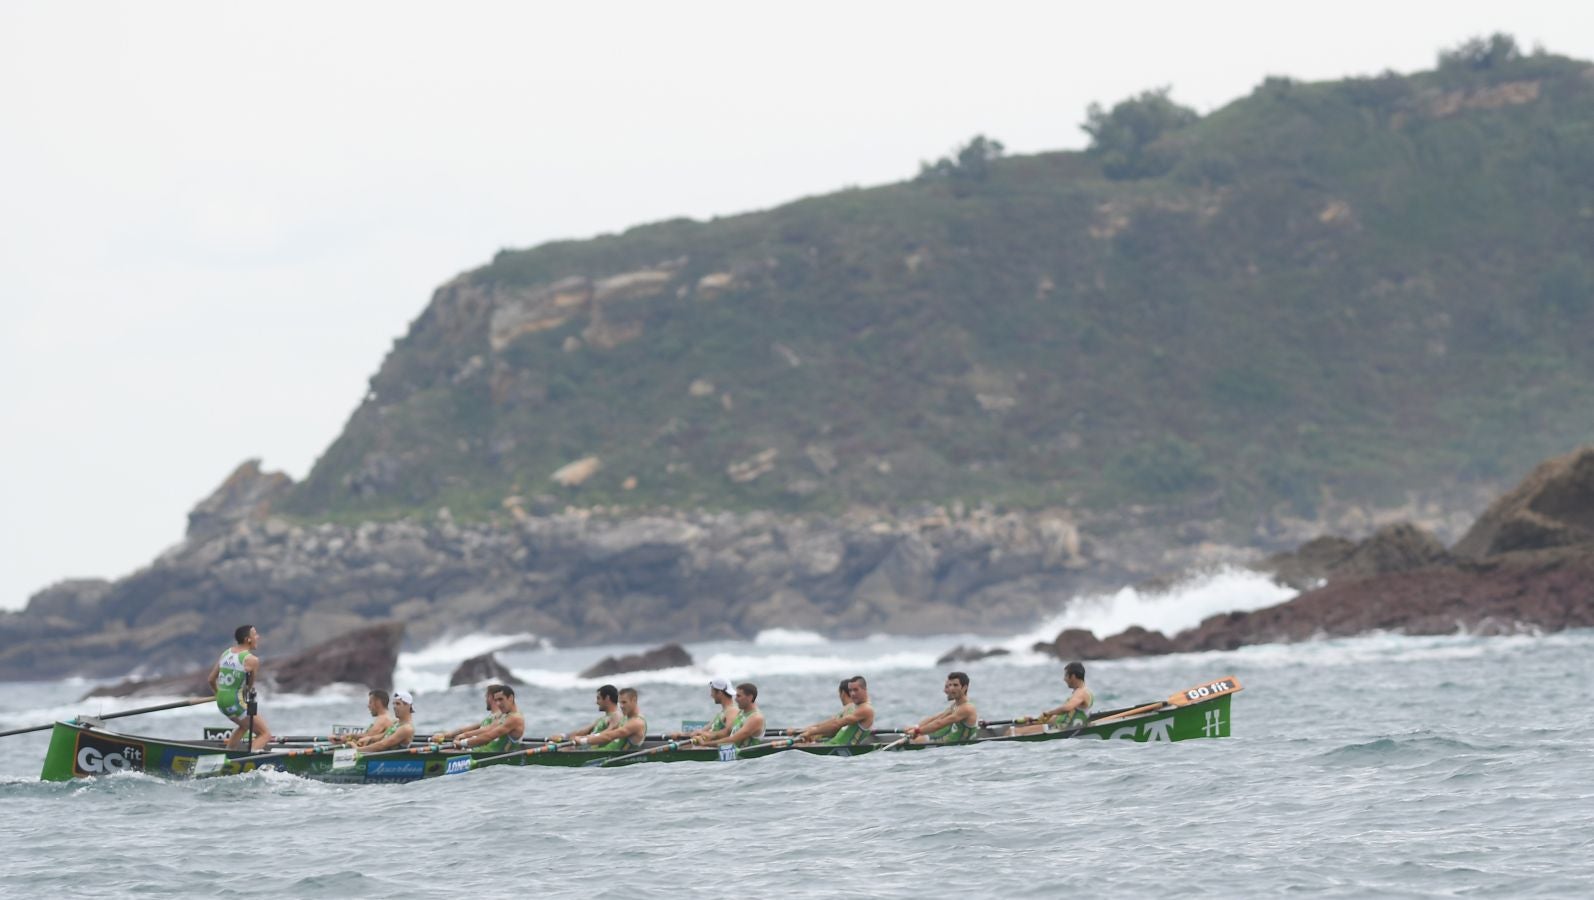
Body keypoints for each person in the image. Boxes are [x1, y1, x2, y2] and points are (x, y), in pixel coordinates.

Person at [207, 624, 272, 751]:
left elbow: (210, 679)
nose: (258, 637)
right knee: (265, 734)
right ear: (248, 639)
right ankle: (251, 761)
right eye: (255, 634)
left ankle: (229, 753)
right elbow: (249, 687)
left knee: (244, 726)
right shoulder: (252, 660)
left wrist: (218, 694)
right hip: (235, 702)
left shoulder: (226, 653)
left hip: (221, 702)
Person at [1017, 661, 1093, 735]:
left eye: (1066, 675)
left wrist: (1049, 713)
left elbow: (1067, 708)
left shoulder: (1081, 692)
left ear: (1073, 676)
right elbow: (1066, 716)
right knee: (1028, 724)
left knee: (1017, 732)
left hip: (1064, 729)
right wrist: (1036, 721)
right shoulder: (1082, 691)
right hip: (1063, 727)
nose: (1064, 679)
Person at [796, 676, 874, 745]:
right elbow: (833, 722)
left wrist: (811, 732)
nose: (852, 694)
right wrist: (811, 733)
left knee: (796, 747)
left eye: (856, 690)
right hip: (832, 743)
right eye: (850, 690)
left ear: (865, 689)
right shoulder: (857, 707)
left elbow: (836, 724)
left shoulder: (866, 709)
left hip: (840, 747)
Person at [904, 672, 979, 744]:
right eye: (950, 685)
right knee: (918, 737)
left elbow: (939, 723)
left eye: (955, 685)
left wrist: (917, 731)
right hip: (949, 742)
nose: (951, 688)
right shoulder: (955, 705)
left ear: (964, 688)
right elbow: (938, 718)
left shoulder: (966, 708)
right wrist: (916, 727)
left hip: (958, 751)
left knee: (918, 739)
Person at [451, 684, 526, 752]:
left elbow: (489, 736)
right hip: (483, 751)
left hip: (492, 757)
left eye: (501, 699)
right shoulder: (506, 715)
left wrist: (462, 743)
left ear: (511, 698)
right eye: (496, 700)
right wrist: (464, 736)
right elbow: (488, 729)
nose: (498, 704)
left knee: (449, 751)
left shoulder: (515, 718)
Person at [573, 687, 646, 750]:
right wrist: (590, 736)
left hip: (614, 757)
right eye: (620, 703)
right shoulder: (625, 718)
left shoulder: (637, 722)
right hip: (606, 750)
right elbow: (608, 732)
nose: (621, 706)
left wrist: (583, 741)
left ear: (634, 700)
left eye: (624, 702)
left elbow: (609, 736)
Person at [696, 683, 765, 749]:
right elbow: (727, 732)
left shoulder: (756, 718)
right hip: (731, 753)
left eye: (739, 696)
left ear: (750, 697)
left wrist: (705, 744)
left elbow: (733, 739)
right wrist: (710, 736)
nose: (735, 699)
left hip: (746, 759)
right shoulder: (741, 713)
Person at [428, 684, 503, 746]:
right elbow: (463, 730)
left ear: (490, 697)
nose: (485, 699)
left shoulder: (500, 715)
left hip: (485, 752)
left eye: (486, 696)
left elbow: (489, 729)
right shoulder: (490, 717)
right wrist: (444, 735)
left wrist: (464, 736)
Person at [548, 684, 622, 744]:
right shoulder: (601, 719)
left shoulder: (616, 716)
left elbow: (609, 733)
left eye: (598, 698)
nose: (596, 702)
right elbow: (581, 732)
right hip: (588, 746)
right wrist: (563, 736)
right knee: (552, 742)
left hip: (597, 752)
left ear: (607, 698)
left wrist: (584, 739)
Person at [671, 678, 738, 742]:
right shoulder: (723, 712)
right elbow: (702, 730)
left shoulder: (732, 711)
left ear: (719, 693)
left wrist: (705, 735)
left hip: (715, 749)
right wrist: (681, 734)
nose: (711, 695)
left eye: (712, 691)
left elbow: (729, 733)